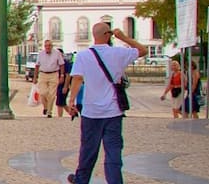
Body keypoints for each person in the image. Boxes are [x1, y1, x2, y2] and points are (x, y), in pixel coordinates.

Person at [64, 22, 147, 184]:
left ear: (93, 35)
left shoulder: (83, 55)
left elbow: (78, 78)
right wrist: (123, 37)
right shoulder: (118, 53)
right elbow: (143, 50)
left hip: (91, 112)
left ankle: (81, 180)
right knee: (113, 152)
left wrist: (72, 99)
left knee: (88, 150)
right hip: (113, 111)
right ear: (108, 35)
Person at [35, 39, 66, 118]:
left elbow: (62, 64)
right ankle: (45, 107)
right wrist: (35, 77)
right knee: (42, 93)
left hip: (54, 74)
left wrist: (62, 75)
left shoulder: (57, 53)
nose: (47, 47)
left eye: (49, 46)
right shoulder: (41, 54)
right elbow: (37, 66)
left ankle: (49, 112)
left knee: (52, 95)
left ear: (52, 46)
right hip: (43, 74)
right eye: (46, 46)